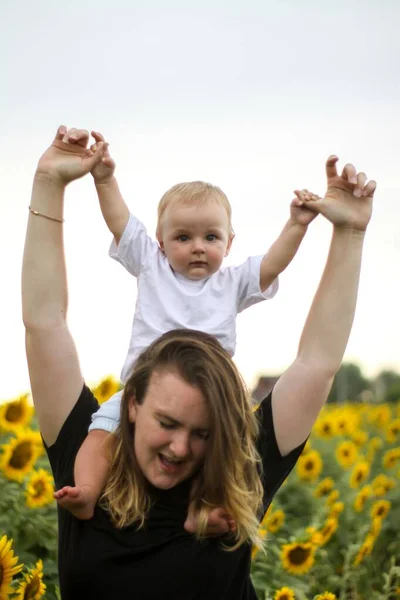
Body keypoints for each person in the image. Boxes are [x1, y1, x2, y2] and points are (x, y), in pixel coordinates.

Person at [22, 126, 376, 600]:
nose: (181, 448)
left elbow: (317, 362)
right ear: (132, 405)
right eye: (166, 422)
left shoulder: (243, 465)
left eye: (204, 431)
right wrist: (49, 182)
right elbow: (45, 323)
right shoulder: (87, 448)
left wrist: (349, 232)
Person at [58, 129, 320, 522]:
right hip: (142, 391)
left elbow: (272, 264)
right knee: (101, 434)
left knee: (226, 453)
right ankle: (87, 493)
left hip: (211, 396)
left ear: (229, 243)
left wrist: (297, 225)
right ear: (161, 242)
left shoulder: (230, 283)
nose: (198, 246)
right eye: (183, 237)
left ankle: (204, 511)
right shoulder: (151, 265)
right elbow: (120, 223)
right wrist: (105, 179)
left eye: (210, 237)